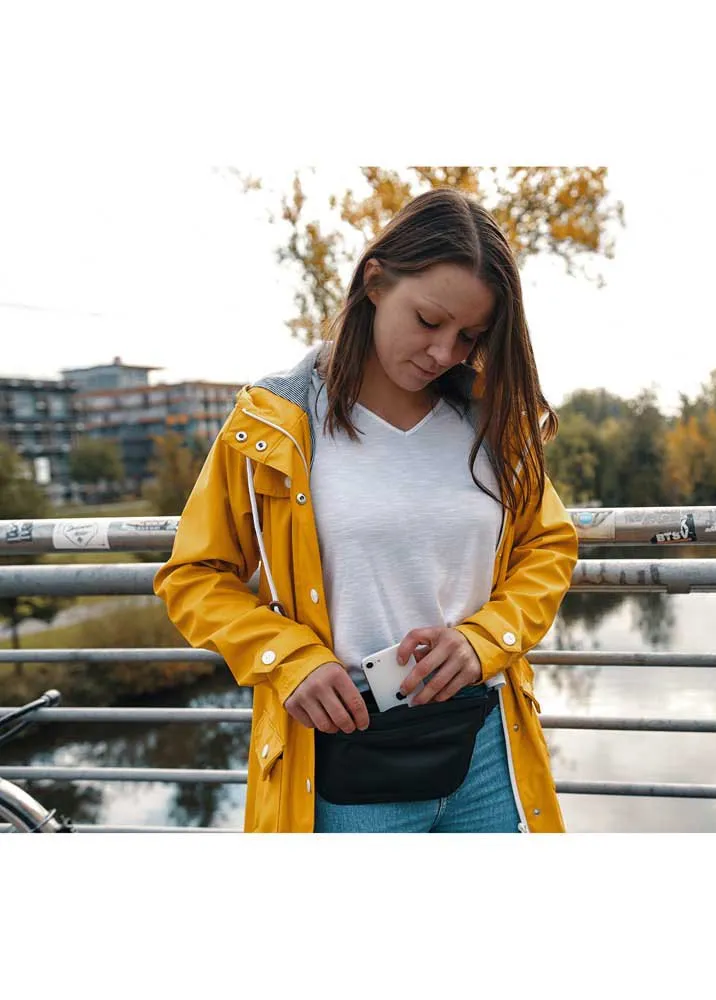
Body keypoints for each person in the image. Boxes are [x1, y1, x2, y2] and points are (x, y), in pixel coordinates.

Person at [153, 187, 579, 833]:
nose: (445, 353)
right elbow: (193, 575)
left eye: (470, 336)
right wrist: (287, 658)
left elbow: (547, 546)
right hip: (346, 753)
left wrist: (485, 639)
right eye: (429, 321)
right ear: (375, 283)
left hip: (487, 747)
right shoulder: (273, 425)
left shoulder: (492, 421)